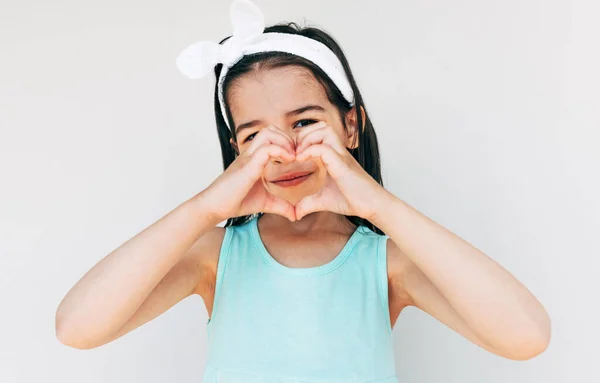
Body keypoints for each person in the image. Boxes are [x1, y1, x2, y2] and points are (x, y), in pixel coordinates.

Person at [55, 1, 551, 382]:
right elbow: (77, 329)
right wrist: (205, 208)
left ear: (349, 125)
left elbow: (526, 337)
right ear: (235, 150)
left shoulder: (385, 262)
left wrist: (378, 205)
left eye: (306, 122)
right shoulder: (216, 254)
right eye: (255, 136)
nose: (284, 150)